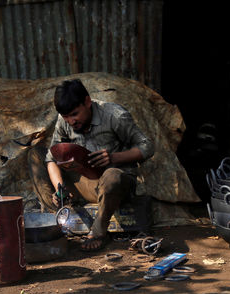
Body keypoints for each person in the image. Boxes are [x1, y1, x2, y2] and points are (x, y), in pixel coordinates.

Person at [41, 79, 154, 251]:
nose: (71, 121)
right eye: (66, 117)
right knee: (36, 155)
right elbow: (52, 157)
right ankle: (57, 220)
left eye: (75, 114)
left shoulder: (114, 115)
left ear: (87, 102)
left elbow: (147, 146)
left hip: (115, 186)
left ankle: (99, 231)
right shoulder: (63, 120)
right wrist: (60, 188)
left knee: (112, 176)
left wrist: (113, 158)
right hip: (86, 183)